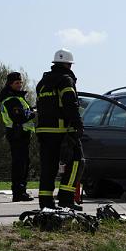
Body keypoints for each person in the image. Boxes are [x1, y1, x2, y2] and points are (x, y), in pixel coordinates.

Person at [35, 49, 84, 210]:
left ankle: (46, 203)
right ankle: (66, 200)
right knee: (77, 162)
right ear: (68, 65)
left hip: (43, 131)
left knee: (48, 167)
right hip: (63, 131)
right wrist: (77, 125)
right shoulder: (65, 80)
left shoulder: (42, 84)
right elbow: (71, 104)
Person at [0, 72, 36, 202]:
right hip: (17, 134)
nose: (19, 85)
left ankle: (21, 191)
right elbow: (19, 117)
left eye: (20, 82)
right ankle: (18, 192)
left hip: (21, 134)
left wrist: (29, 112)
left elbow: (24, 112)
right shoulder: (11, 99)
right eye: (16, 83)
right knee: (20, 165)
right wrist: (32, 114)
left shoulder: (17, 98)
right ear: (10, 84)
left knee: (23, 164)